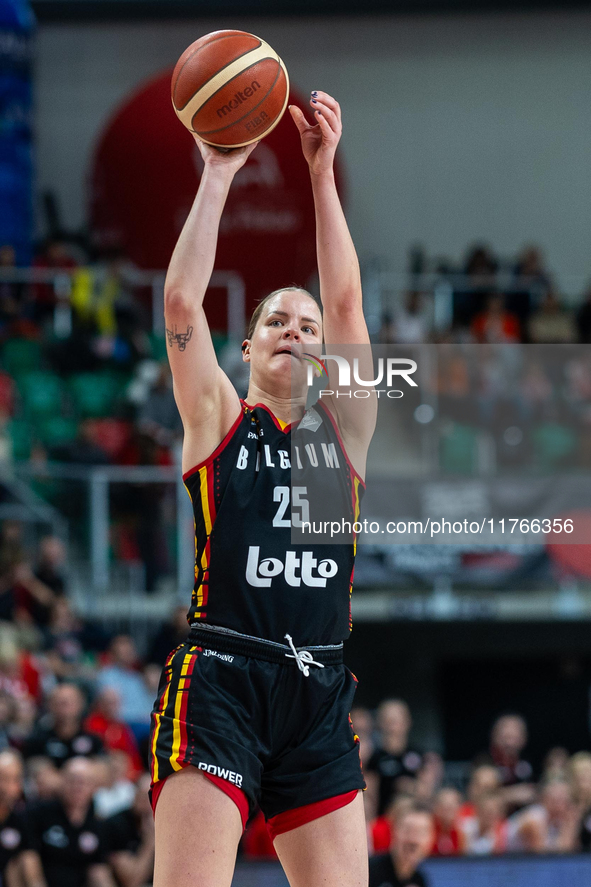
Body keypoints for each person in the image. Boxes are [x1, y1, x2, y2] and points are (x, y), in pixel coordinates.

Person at [149, 90, 376, 887]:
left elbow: (346, 300)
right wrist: (219, 169)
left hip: (315, 691)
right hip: (223, 678)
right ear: (244, 346)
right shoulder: (216, 416)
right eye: (277, 321)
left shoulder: (340, 432)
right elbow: (181, 303)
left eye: (306, 326)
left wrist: (320, 175)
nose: (296, 332)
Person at [21, 756, 115, 887]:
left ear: (94, 787)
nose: (78, 787)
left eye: (84, 782)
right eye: (73, 780)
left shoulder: (97, 822)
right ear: (62, 781)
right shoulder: (39, 813)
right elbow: (29, 860)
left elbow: (97, 870)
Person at [23, 683, 103, 767]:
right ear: (50, 705)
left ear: (81, 704)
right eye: (60, 703)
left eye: (70, 702)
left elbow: (101, 768)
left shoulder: (94, 741)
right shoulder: (37, 740)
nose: (65, 709)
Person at [366, 700, 423, 817]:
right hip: (384, 817)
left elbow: (426, 789)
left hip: (413, 816)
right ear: (380, 724)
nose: (393, 727)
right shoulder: (375, 758)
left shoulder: (418, 754)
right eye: (388, 721)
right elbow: (370, 793)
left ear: (407, 722)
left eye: (396, 721)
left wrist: (409, 787)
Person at [368, 805, 434, 887]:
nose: (413, 839)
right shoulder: (369, 870)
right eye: (407, 830)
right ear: (393, 831)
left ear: (431, 839)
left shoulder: (419, 880)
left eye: (420, 832)